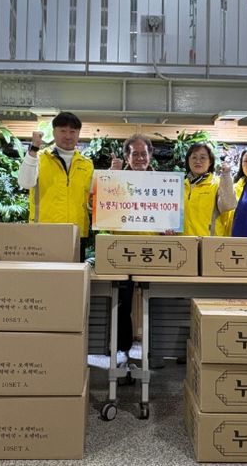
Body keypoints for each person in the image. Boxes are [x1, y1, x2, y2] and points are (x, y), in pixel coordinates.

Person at [17, 112, 94, 258]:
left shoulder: (87, 164)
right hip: (44, 232)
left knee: (74, 273)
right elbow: (25, 183)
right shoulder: (39, 158)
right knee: (45, 273)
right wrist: (33, 149)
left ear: (78, 134)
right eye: (63, 131)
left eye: (72, 131)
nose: (68, 136)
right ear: (54, 132)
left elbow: (91, 201)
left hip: (77, 234)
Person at [108, 133, 155, 365]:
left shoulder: (164, 183)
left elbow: (173, 216)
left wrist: (170, 229)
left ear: (150, 156)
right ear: (127, 157)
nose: (139, 158)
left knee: (153, 302)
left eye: (143, 154)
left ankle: (152, 352)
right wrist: (111, 177)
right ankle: (122, 352)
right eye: (135, 154)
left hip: (153, 251)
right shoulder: (115, 179)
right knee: (122, 303)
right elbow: (95, 207)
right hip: (122, 250)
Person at [183, 143, 236, 236]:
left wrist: (226, 176)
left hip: (208, 242)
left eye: (203, 157)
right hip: (182, 242)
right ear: (188, 160)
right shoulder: (180, 186)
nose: (198, 161)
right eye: (194, 157)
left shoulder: (217, 184)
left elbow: (228, 205)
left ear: (210, 162)